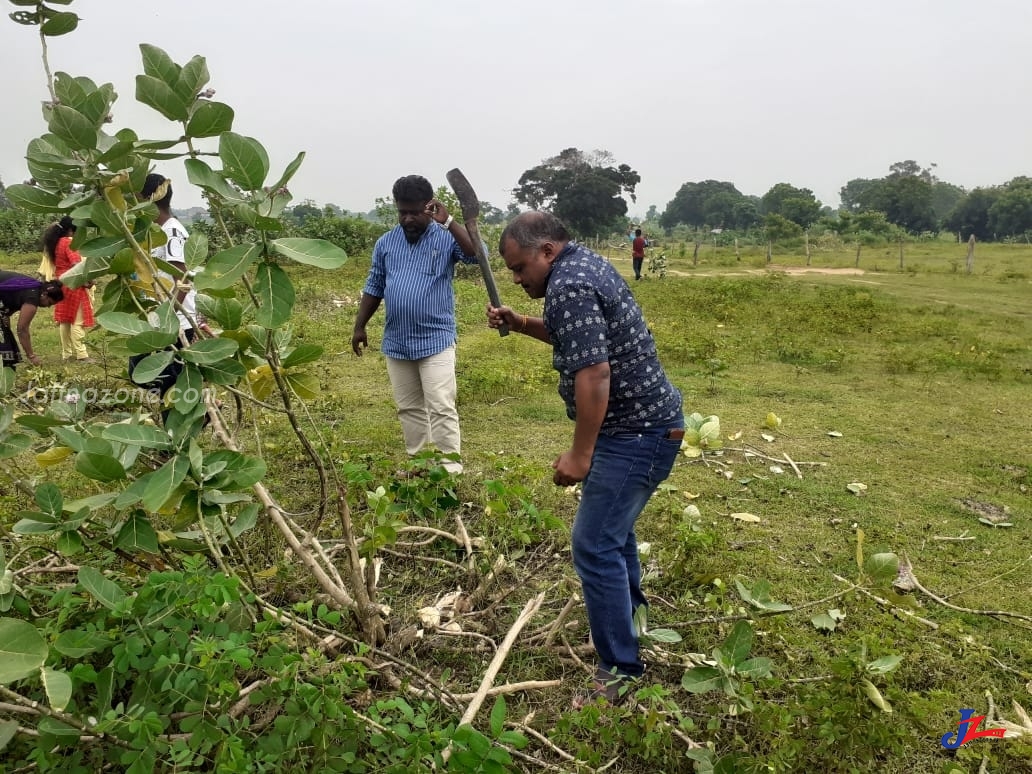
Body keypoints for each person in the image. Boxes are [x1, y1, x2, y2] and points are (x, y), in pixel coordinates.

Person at [487, 211, 683, 708]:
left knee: (594, 546)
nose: (515, 277)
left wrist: (580, 452)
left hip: (636, 434)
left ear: (547, 251)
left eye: (518, 267)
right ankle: (634, 630)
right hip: (648, 428)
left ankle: (620, 670)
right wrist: (523, 321)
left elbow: (594, 371)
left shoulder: (568, 283)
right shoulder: (581, 266)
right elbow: (580, 337)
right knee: (615, 539)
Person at [351, 175, 478, 474]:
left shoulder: (446, 237)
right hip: (397, 341)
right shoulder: (386, 243)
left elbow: (476, 255)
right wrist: (359, 326)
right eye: (402, 212)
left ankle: (450, 471)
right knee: (409, 408)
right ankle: (420, 466)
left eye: (414, 212)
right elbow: (374, 285)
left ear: (429, 207)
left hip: (436, 340)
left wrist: (450, 222)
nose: (408, 218)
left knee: (441, 406)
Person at [130, 174, 211, 421]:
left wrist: (165, 319)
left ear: (149, 198)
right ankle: (189, 417)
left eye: (137, 197)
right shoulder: (155, 232)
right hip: (161, 318)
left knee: (164, 377)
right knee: (142, 371)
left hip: (175, 322)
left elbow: (182, 282)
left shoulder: (173, 232)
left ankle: (195, 418)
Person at [42, 216, 95, 362]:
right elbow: (76, 265)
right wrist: (87, 281)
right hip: (73, 285)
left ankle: (67, 354)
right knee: (78, 321)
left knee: (65, 320)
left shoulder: (55, 243)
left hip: (61, 284)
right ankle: (82, 354)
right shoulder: (69, 242)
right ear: (72, 230)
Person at [0, 271, 64, 369]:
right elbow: (22, 329)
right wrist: (31, 356)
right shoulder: (32, 297)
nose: (47, 306)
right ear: (45, 294)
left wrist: (5, 326)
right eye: (49, 303)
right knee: (5, 345)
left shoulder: (34, 286)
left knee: (6, 338)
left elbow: (8, 307)